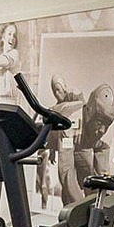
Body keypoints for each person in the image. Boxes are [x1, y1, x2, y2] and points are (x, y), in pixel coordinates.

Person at [40, 75, 86, 206]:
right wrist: (53, 149)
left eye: (58, 89)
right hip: (65, 143)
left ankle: (81, 207)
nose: (56, 93)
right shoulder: (57, 108)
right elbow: (55, 132)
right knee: (64, 176)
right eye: (54, 90)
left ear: (65, 87)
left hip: (80, 143)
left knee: (80, 175)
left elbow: (83, 107)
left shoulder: (74, 95)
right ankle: (70, 209)